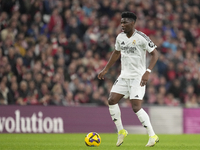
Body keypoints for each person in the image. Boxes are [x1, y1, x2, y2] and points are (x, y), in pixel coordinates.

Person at [98, 12, 159, 147]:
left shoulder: (142, 37)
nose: (122, 25)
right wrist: (106, 69)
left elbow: (155, 54)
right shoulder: (120, 37)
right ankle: (121, 131)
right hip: (124, 76)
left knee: (136, 107)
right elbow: (116, 52)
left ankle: (152, 135)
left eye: (125, 22)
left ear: (133, 23)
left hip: (138, 77)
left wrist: (147, 72)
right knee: (111, 100)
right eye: (121, 22)